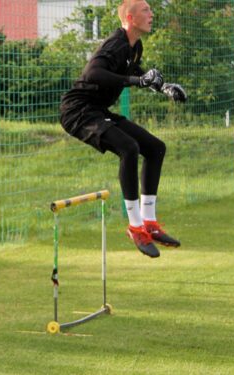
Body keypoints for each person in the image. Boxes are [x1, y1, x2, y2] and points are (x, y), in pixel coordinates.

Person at [59, 0, 186, 258]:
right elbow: (94, 73)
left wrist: (164, 87)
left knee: (155, 148)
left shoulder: (134, 46)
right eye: (146, 10)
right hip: (78, 111)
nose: (152, 14)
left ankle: (149, 223)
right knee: (129, 148)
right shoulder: (115, 43)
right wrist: (136, 81)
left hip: (97, 111)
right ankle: (135, 227)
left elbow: (135, 71)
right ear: (130, 17)